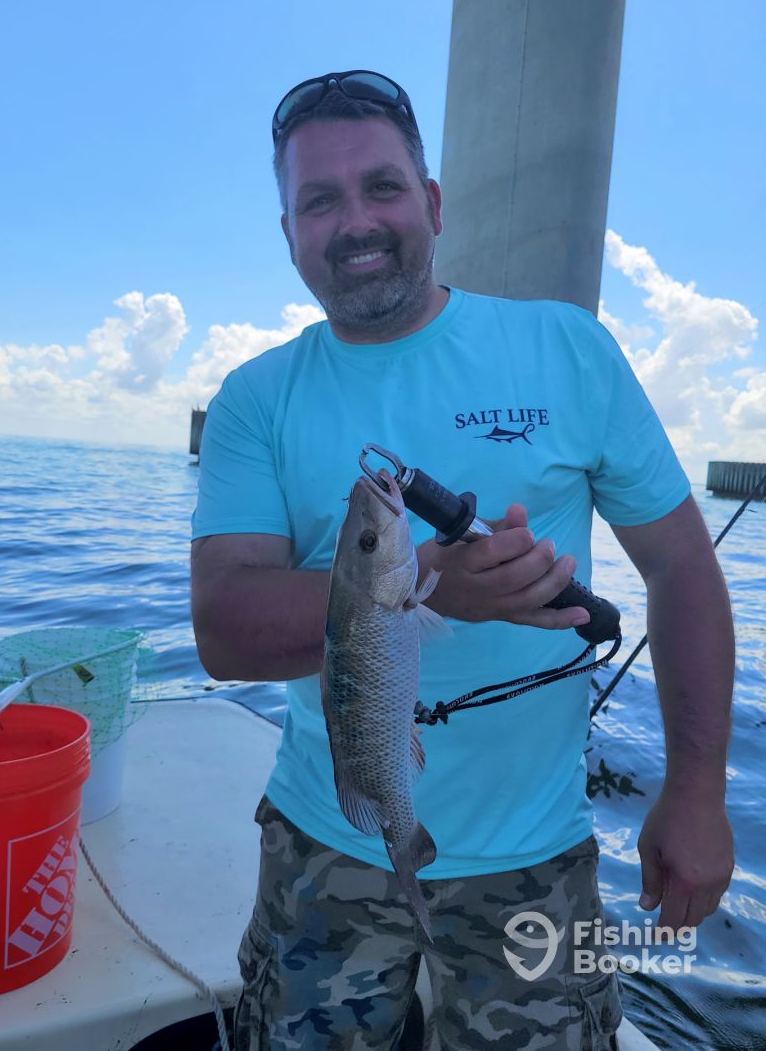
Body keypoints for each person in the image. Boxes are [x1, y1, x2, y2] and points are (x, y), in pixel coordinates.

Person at [191, 71, 735, 1051]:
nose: (356, 222)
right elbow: (224, 631)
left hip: (537, 859)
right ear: (289, 233)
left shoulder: (566, 349)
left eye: (383, 187)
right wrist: (433, 586)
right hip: (324, 840)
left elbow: (684, 571)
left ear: (433, 204)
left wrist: (696, 790)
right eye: (320, 200)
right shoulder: (256, 398)